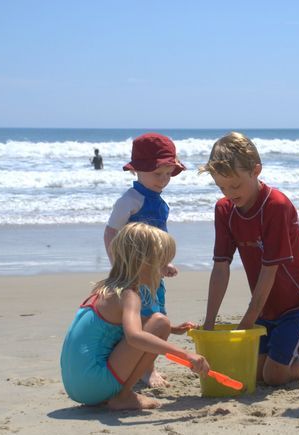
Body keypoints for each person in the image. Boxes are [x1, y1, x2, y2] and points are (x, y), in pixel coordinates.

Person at [199, 131, 299, 386]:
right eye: (222, 187)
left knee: (273, 376)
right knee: (254, 372)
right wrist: (209, 322)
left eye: (236, 185)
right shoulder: (224, 210)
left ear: (256, 170)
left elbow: (269, 270)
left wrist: (245, 324)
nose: (229, 194)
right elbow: (220, 267)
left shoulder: (276, 206)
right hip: (266, 305)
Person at [60, 222, 209, 411]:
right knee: (160, 322)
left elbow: (116, 328)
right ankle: (123, 396)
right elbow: (134, 336)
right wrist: (186, 354)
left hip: (76, 386)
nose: (164, 271)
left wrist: (173, 329)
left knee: (161, 324)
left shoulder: (106, 290)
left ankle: (116, 394)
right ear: (144, 263)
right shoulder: (129, 295)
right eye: (162, 263)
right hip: (95, 384)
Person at [103, 132, 186, 387]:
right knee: (143, 319)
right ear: (137, 170)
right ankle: (145, 369)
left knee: (158, 315)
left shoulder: (159, 202)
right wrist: (119, 268)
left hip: (154, 274)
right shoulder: (130, 200)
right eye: (156, 174)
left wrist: (162, 264)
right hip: (134, 275)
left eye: (167, 174)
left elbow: (157, 241)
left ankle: (145, 365)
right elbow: (111, 233)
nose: (162, 180)